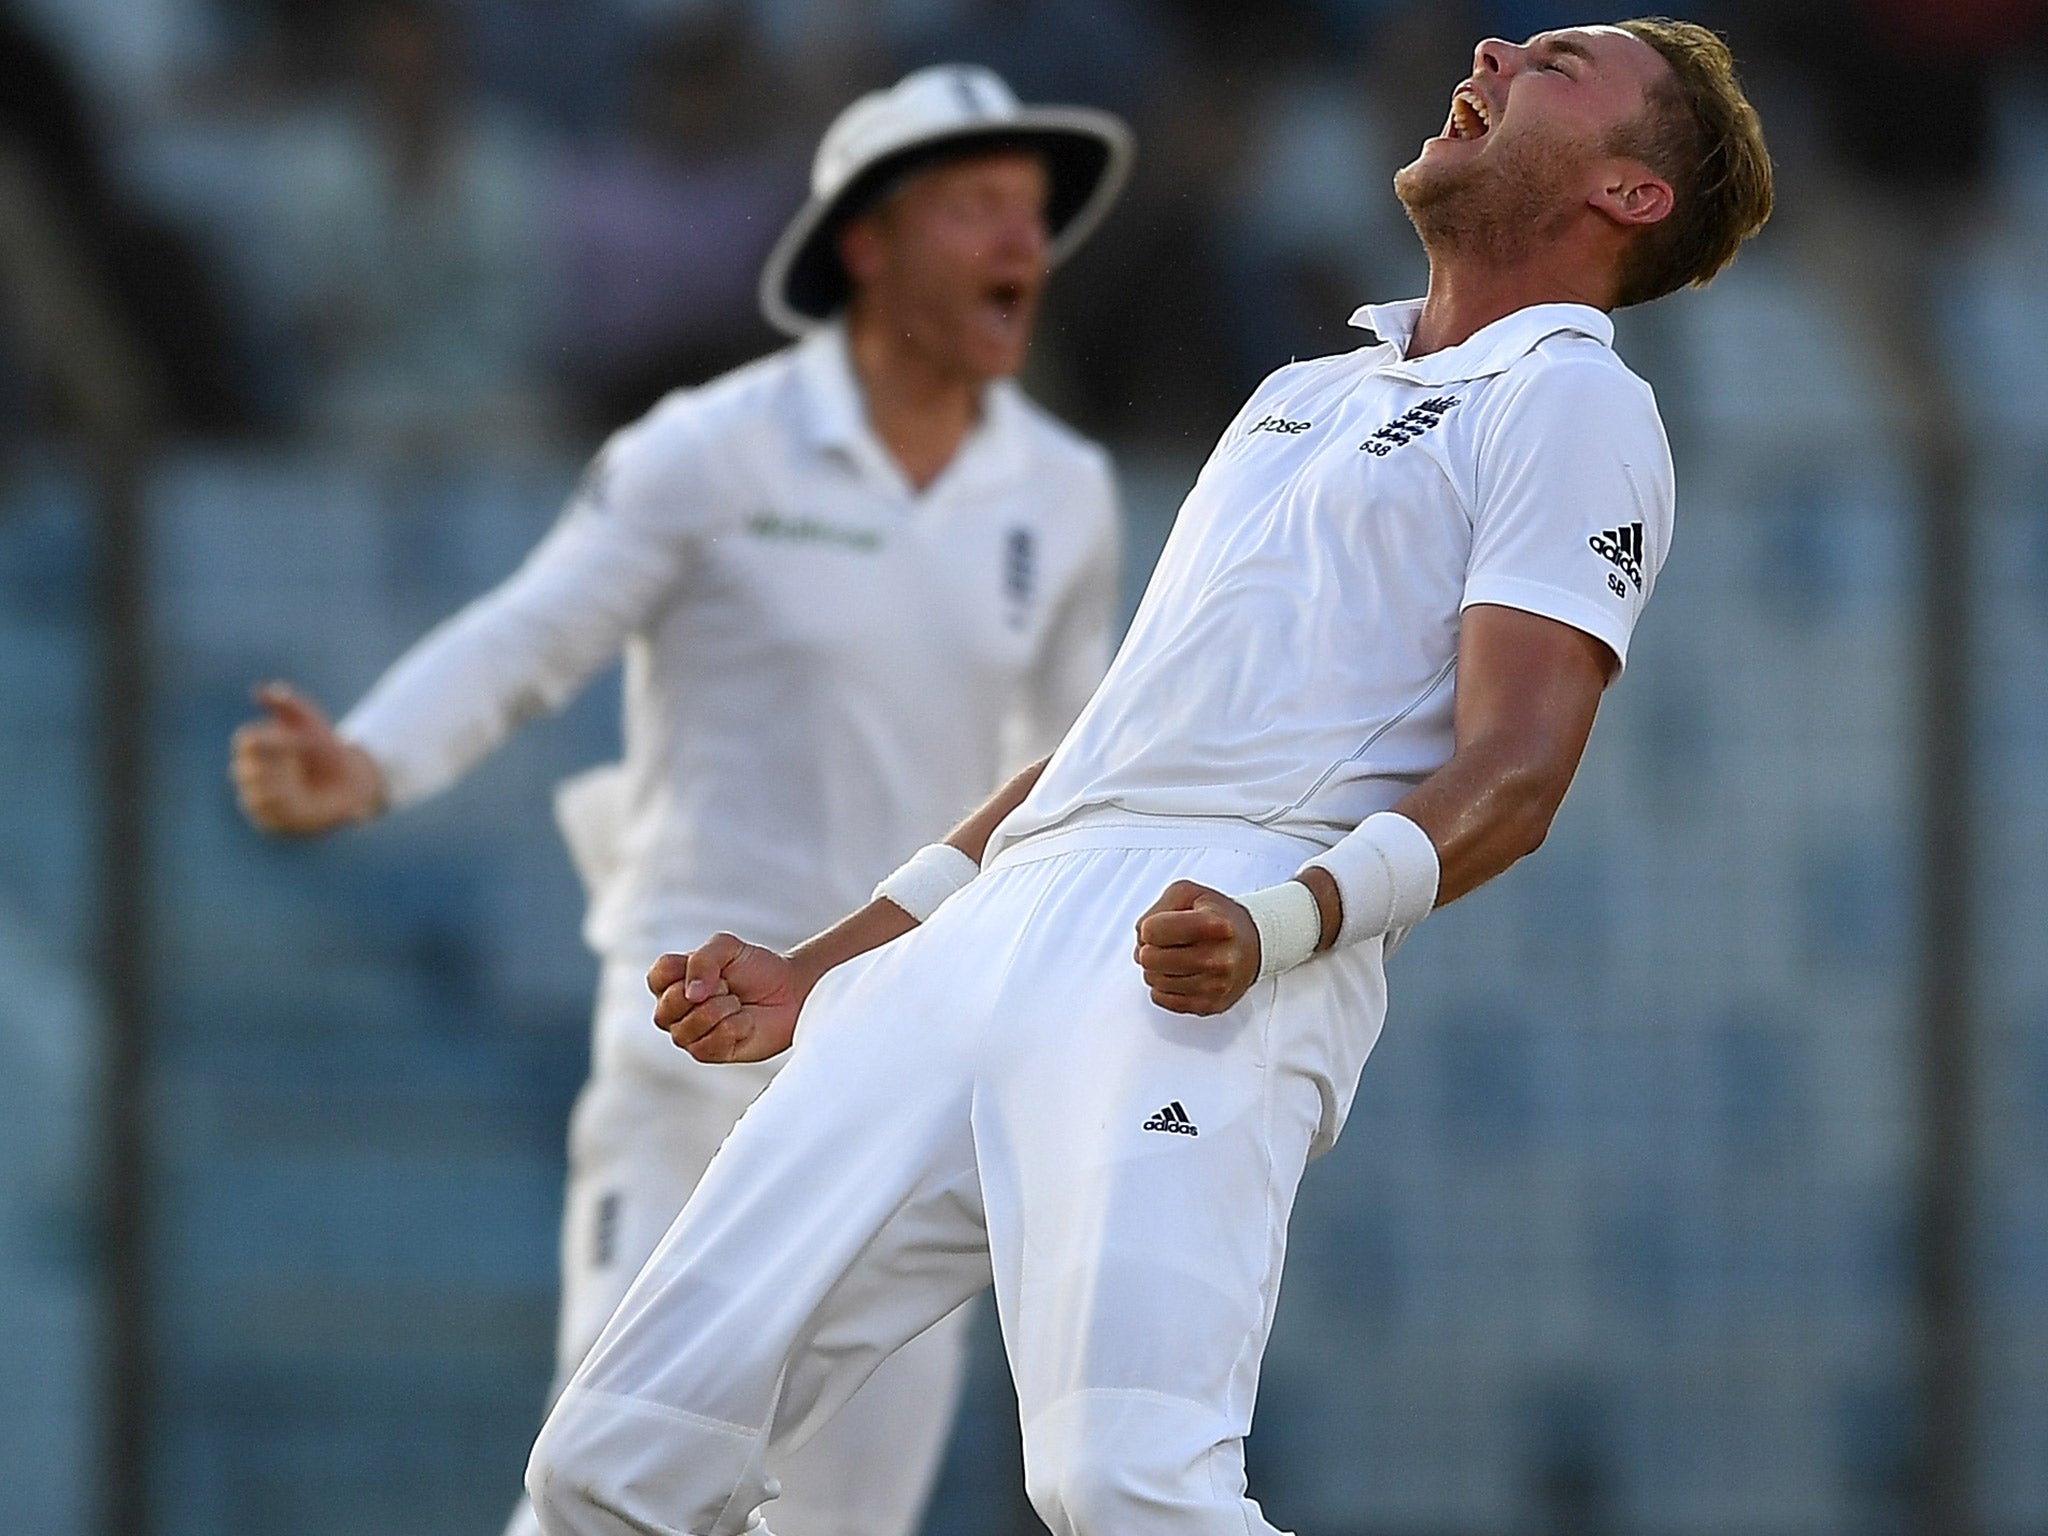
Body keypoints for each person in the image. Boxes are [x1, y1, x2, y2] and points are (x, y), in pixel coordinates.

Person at [522, 18, 1774, 1536]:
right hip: (986, 937)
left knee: (1125, 1486)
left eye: (1563, 64)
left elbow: (1515, 773)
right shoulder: (1292, 394)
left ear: (1631, 196)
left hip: (1207, 938)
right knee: (613, 1469)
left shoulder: (1572, 400)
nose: (1500, 45)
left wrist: (1286, 921)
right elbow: (1104, 747)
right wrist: (828, 965)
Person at [229, 65, 1133, 1536]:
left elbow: (1068, 782)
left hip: (910, 1073)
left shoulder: (1064, 490)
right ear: (868, 246)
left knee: (834, 1525)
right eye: (973, 206)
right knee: (615, 1495)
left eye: (1031, 212)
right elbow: (531, 634)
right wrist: (372, 759)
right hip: (690, 1048)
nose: (1018, 242)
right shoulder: (709, 448)